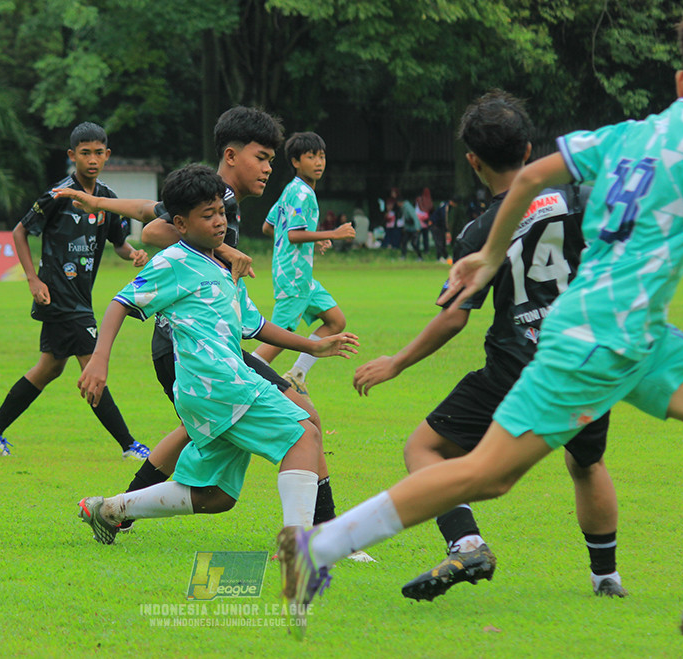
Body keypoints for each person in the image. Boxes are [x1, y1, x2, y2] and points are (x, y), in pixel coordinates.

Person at [276, 8, 683, 638]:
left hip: (628, 333)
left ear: (681, 81)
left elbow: (538, 173)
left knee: (487, 470)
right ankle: (317, 547)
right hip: (598, 339)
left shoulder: (634, 131)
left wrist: (489, 254)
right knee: (487, 475)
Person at [60, 108, 372, 560]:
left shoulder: (220, 259)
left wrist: (313, 345)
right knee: (304, 430)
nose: (221, 220)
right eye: (262, 157)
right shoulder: (190, 245)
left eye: (222, 215)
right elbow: (133, 275)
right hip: (212, 372)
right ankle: (305, 544)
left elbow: (253, 324)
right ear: (231, 155)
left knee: (217, 494)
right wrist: (99, 360)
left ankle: (110, 509)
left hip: (212, 374)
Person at [353, 90, 626, 601]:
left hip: (516, 366)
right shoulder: (579, 199)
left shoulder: (480, 232)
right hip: (584, 359)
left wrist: (397, 361)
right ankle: (605, 579)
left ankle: (467, 543)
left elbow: (454, 317)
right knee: (586, 463)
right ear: (529, 150)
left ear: (473, 161)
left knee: (424, 447)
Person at [0, 122, 153, 459]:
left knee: (50, 368)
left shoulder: (106, 199)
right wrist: (32, 279)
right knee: (92, 368)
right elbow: (20, 232)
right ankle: (130, 446)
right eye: (85, 153)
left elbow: (119, 243)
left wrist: (133, 254)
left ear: (107, 155)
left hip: (80, 297)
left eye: (98, 153)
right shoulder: (58, 195)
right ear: (72, 156)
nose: (92, 160)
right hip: (59, 295)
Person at [251, 131, 355, 394]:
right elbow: (293, 234)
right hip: (293, 276)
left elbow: (269, 227)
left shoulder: (291, 189)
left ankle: (297, 375)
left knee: (335, 321)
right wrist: (332, 233)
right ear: (296, 162)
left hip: (302, 277)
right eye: (311, 157)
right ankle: (241, 378)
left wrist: (312, 241)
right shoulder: (303, 193)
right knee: (279, 337)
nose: (318, 162)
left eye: (321, 156)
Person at [429, 197, 455, 262]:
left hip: (439, 226)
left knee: (443, 241)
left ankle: (446, 256)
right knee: (439, 241)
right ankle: (439, 257)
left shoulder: (445, 204)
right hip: (435, 225)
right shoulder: (445, 207)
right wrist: (447, 231)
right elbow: (444, 219)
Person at [399, 193, 422, 260]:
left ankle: (420, 257)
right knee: (404, 242)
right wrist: (405, 227)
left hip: (414, 228)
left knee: (414, 243)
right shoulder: (403, 208)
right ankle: (403, 256)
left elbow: (414, 217)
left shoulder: (408, 207)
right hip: (408, 228)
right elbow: (406, 219)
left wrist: (417, 228)